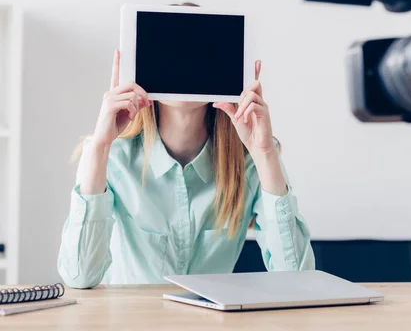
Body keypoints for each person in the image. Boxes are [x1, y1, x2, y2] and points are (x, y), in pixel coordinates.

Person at [58, 47, 315, 288]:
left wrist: (265, 155)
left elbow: (297, 280)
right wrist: (101, 146)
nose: (184, 67)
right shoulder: (112, 156)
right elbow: (80, 276)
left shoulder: (250, 160)